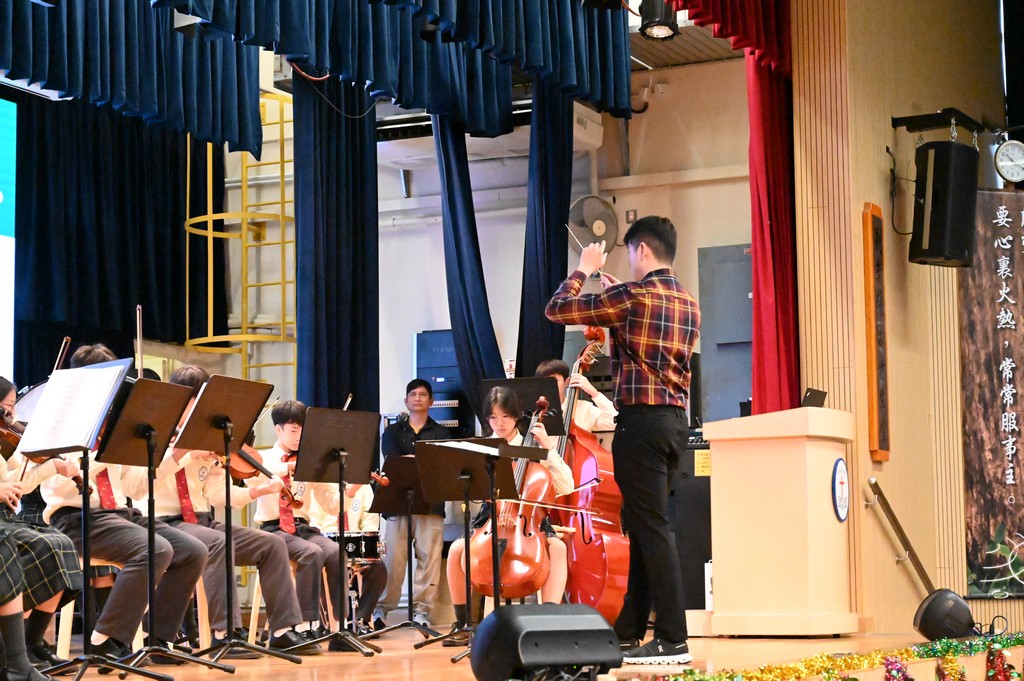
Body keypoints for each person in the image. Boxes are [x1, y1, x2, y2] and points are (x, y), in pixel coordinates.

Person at [545, 216, 700, 665]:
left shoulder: (631, 297)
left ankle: (673, 638)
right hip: (674, 422)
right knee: (643, 523)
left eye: (630, 253)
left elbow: (557, 309)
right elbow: (644, 335)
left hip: (642, 424)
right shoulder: (688, 302)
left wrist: (584, 268)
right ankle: (630, 631)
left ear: (642, 250)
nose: (630, 261)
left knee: (651, 529)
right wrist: (615, 296)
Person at [35, 344, 209, 663]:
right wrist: (103, 453)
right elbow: (57, 484)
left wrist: (178, 456)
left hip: (120, 515)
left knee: (192, 550)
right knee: (155, 549)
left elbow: (135, 486)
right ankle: (107, 637)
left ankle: (158, 638)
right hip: (75, 517)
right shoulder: (62, 420)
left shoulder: (115, 425)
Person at [146, 366, 319, 656]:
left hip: (202, 522)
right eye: (194, 400)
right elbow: (147, 480)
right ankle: (225, 633)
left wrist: (258, 491)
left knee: (271, 544)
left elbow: (218, 495)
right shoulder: (155, 433)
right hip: (167, 523)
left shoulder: (208, 437)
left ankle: (282, 631)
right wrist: (186, 454)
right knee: (218, 542)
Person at [443, 386, 574, 647]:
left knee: (558, 548)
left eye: (505, 416)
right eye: (493, 417)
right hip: (491, 519)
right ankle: (463, 623)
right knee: (457, 549)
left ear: (516, 417)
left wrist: (548, 449)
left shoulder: (533, 446)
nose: (499, 423)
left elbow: (566, 486)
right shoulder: (482, 449)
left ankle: (549, 622)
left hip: (529, 519)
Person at [0, 378, 83, 669]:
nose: (12, 415)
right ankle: (13, 651)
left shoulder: (5, 442)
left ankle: (32, 642)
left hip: (5, 518)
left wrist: (52, 466)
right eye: (7, 407)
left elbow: (17, 485)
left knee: (60, 543)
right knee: (41, 545)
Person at [248, 400, 345, 649]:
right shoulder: (263, 458)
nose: (299, 436)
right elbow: (254, 480)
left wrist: (346, 487)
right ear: (278, 429)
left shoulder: (310, 461)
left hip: (303, 528)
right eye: (293, 430)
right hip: (274, 529)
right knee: (311, 553)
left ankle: (339, 627)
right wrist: (289, 466)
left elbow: (330, 504)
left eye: (303, 430)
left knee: (336, 552)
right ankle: (304, 626)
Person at [371, 379, 450, 631]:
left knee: (429, 559)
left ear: (431, 401)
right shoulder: (392, 432)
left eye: (423, 394)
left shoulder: (442, 433)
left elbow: (440, 466)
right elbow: (394, 462)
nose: (417, 398)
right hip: (396, 502)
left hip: (431, 504)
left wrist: (415, 461)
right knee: (392, 560)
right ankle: (381, 611)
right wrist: (422, 462)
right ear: (406, 401)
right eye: (413, 394)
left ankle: (422, 611)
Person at [308, 483, 387, 635]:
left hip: (354, 546)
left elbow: (370, 522)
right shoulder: (319, 484)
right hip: (327, 543)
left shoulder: (362, 486)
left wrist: (365, 543)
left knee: (378, 567)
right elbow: (313, 523)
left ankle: (362, 620)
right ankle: (326, 621)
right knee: (317, 563)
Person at [534, 359, 617, 433]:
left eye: (554, 380)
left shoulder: (584, 409)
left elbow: (614, 422)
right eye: (544, 381)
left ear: (567, 382)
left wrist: (594, 393)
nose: (549, 385)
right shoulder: (533, 411)